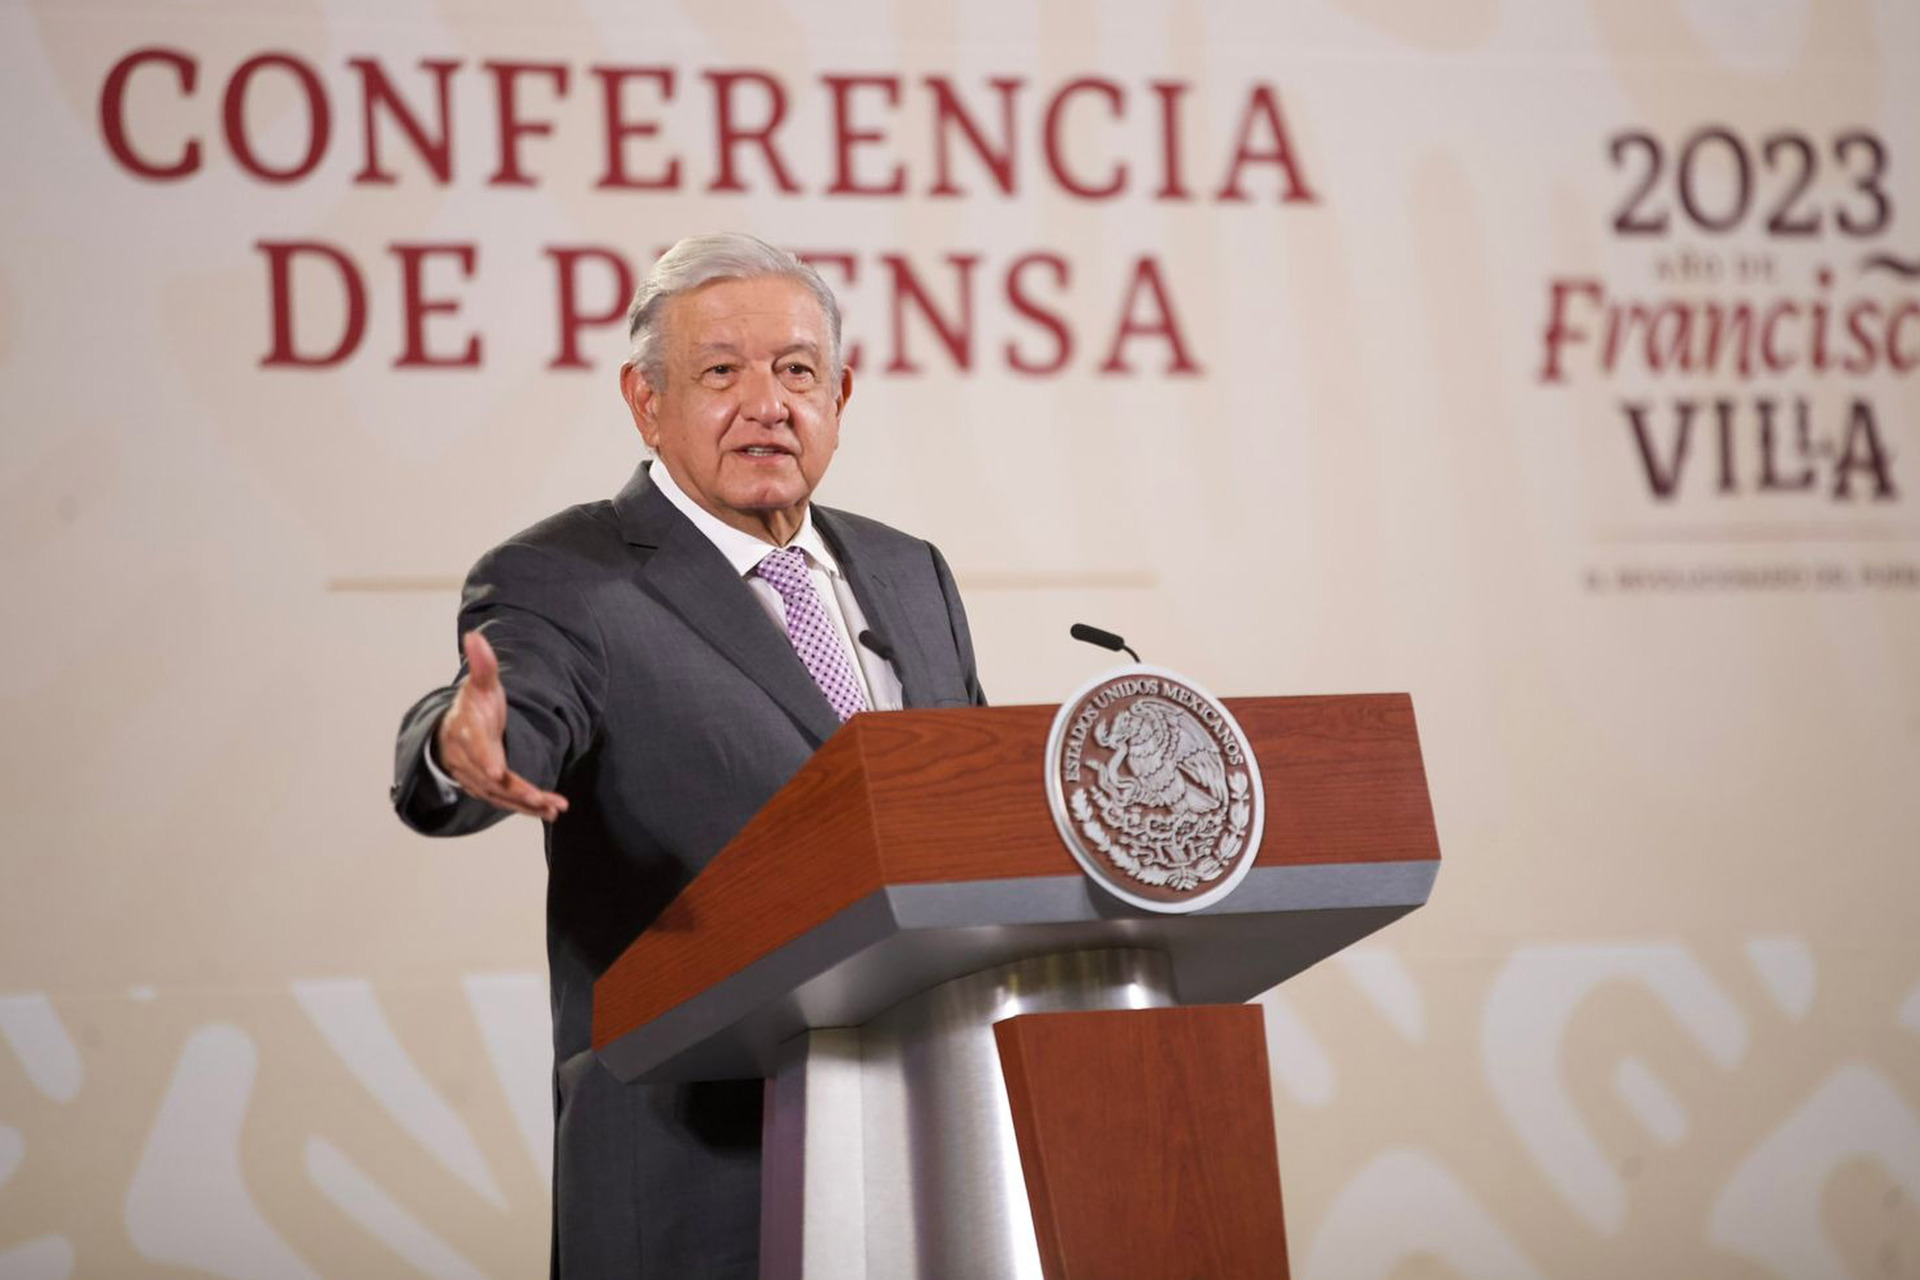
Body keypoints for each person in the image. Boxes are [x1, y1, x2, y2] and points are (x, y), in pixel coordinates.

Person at [389, 232, 986, 1277]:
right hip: (694, 1167)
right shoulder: (566, 577)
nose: (768, 404)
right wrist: (461, 745)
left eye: (796, 370)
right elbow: (517, 707)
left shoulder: (910, 571)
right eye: (720, 372)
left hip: (929, 1141)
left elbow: (977, 810)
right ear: (646, 400)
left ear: (840, 394)